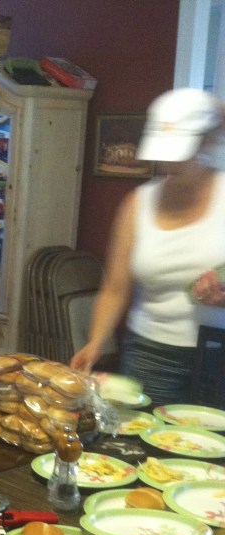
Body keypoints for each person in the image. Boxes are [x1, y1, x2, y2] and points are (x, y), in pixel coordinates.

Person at [71, 88, 225, 406]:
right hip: (148, 354)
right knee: (141, 437)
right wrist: (95, 342)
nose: (168, 164)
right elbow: (115, 288)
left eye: (180, 153)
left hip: (217, 357)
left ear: (207, 142)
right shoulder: (137, 204)